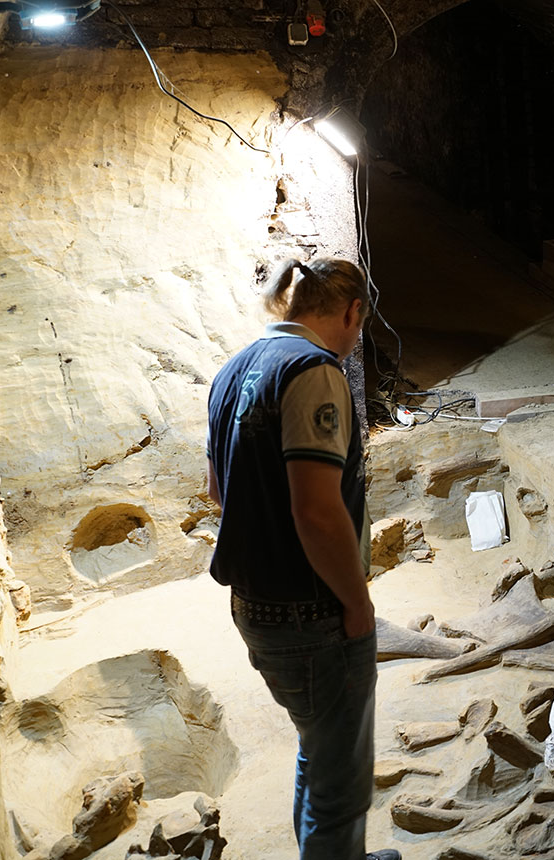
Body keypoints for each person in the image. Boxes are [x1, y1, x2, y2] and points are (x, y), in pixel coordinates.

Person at [205, 258, 400, 860]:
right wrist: (358, 603)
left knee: (321, 745)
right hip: (310, 611)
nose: (355, 341)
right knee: (340, 788)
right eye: (359, 328)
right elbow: (316, 512)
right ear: (350, 312)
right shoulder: (314, 372)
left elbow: (218, 489)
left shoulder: (233, 368)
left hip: (255, 603)